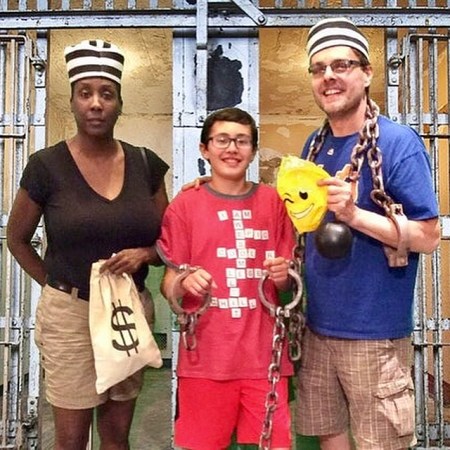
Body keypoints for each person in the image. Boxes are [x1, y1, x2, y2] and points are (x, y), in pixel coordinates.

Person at [7, 39, 169, 450]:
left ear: (119, 103)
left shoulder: (145, 164)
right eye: (85, 93)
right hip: (70, 314)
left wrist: (146, 254)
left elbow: (169, 240)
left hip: (127, 311)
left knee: (116, 438)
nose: (96, 103)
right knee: (72, 440)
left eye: (106, 94)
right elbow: (17, 239)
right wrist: (57, 285)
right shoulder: (46, 166)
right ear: (74, 101)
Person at [296, 17, 440, 450]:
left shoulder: (397, 143)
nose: (328, 76)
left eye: (341, 65)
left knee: (382, 443)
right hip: (318, 327)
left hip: (373, 334)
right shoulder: (313, 146)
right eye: (319, 68)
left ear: (367, 73)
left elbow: (428, 236)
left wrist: (353, 214)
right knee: (330, 433)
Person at [157, 107, 295, 450]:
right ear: (205, 149)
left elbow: (289, 284)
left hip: (265, 358)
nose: (232, 148)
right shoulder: (185, 206)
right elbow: (168, 283)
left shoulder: (274, 203)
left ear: (253, 150)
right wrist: (182, 283)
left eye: (242, 141)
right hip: (205, 360)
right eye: (222, 140)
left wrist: (282, 278)